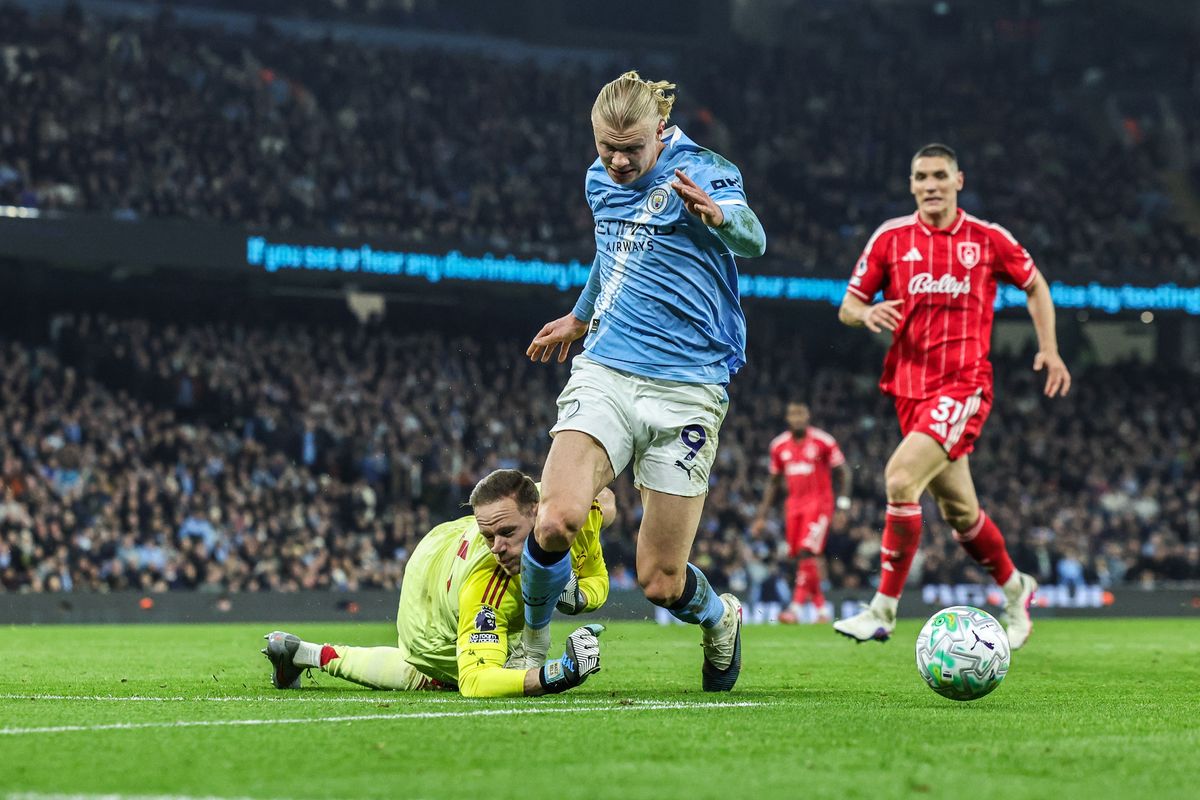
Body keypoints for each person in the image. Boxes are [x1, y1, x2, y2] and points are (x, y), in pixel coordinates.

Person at [517, 71, 767, 692]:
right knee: (554, 519)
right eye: (608, 147)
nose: (620, 160)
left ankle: (720, 619)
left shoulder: (701, 171)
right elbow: (612, 250)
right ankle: (532, 647)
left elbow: (754, 238)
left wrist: (718, 220)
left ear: (661, 130)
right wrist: (580, 316)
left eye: (632, 148)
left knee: (660, 580)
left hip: (687, 388)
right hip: (606, 369)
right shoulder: (598, 177)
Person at [833, 143, 1071, 649]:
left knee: (899, 477)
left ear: (959, 180)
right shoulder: (890, 239)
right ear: (911, 183)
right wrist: (867, 314)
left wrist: (1049, 348)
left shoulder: (987, 239)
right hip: (908, 391)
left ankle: (882, 610)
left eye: (940, 175)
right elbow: (849, 305)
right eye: (921, 176)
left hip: (964, 385)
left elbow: (1035, 285)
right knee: (962, 513)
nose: (931, 185)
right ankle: (1015, 587)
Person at [261, 469, 614, 697]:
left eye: (507, 533)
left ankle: (301, 653)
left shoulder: (577, 512)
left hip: (443, 540)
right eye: (489, 536)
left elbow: (598, 564)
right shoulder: (487, 585)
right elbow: (476, 683)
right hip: (429, 612)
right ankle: (315, 656)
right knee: (454, 673)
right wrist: (557, 674)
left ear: (537, 511)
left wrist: (578, 598)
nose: (499, 549)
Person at [751, 401, 851, 624]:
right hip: (794, 506)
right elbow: (773, 482)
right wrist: (761, 516)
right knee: (801, 557)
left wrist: (843, 506)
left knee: (807, 552)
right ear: (787, 418)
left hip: (819, 504)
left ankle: (794, 609)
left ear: (808, 416)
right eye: (793, 415)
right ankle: (822, 609)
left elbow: (843, 472)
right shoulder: (778, 446)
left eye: (801, 414)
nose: (797, 419)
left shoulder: (823, 441)